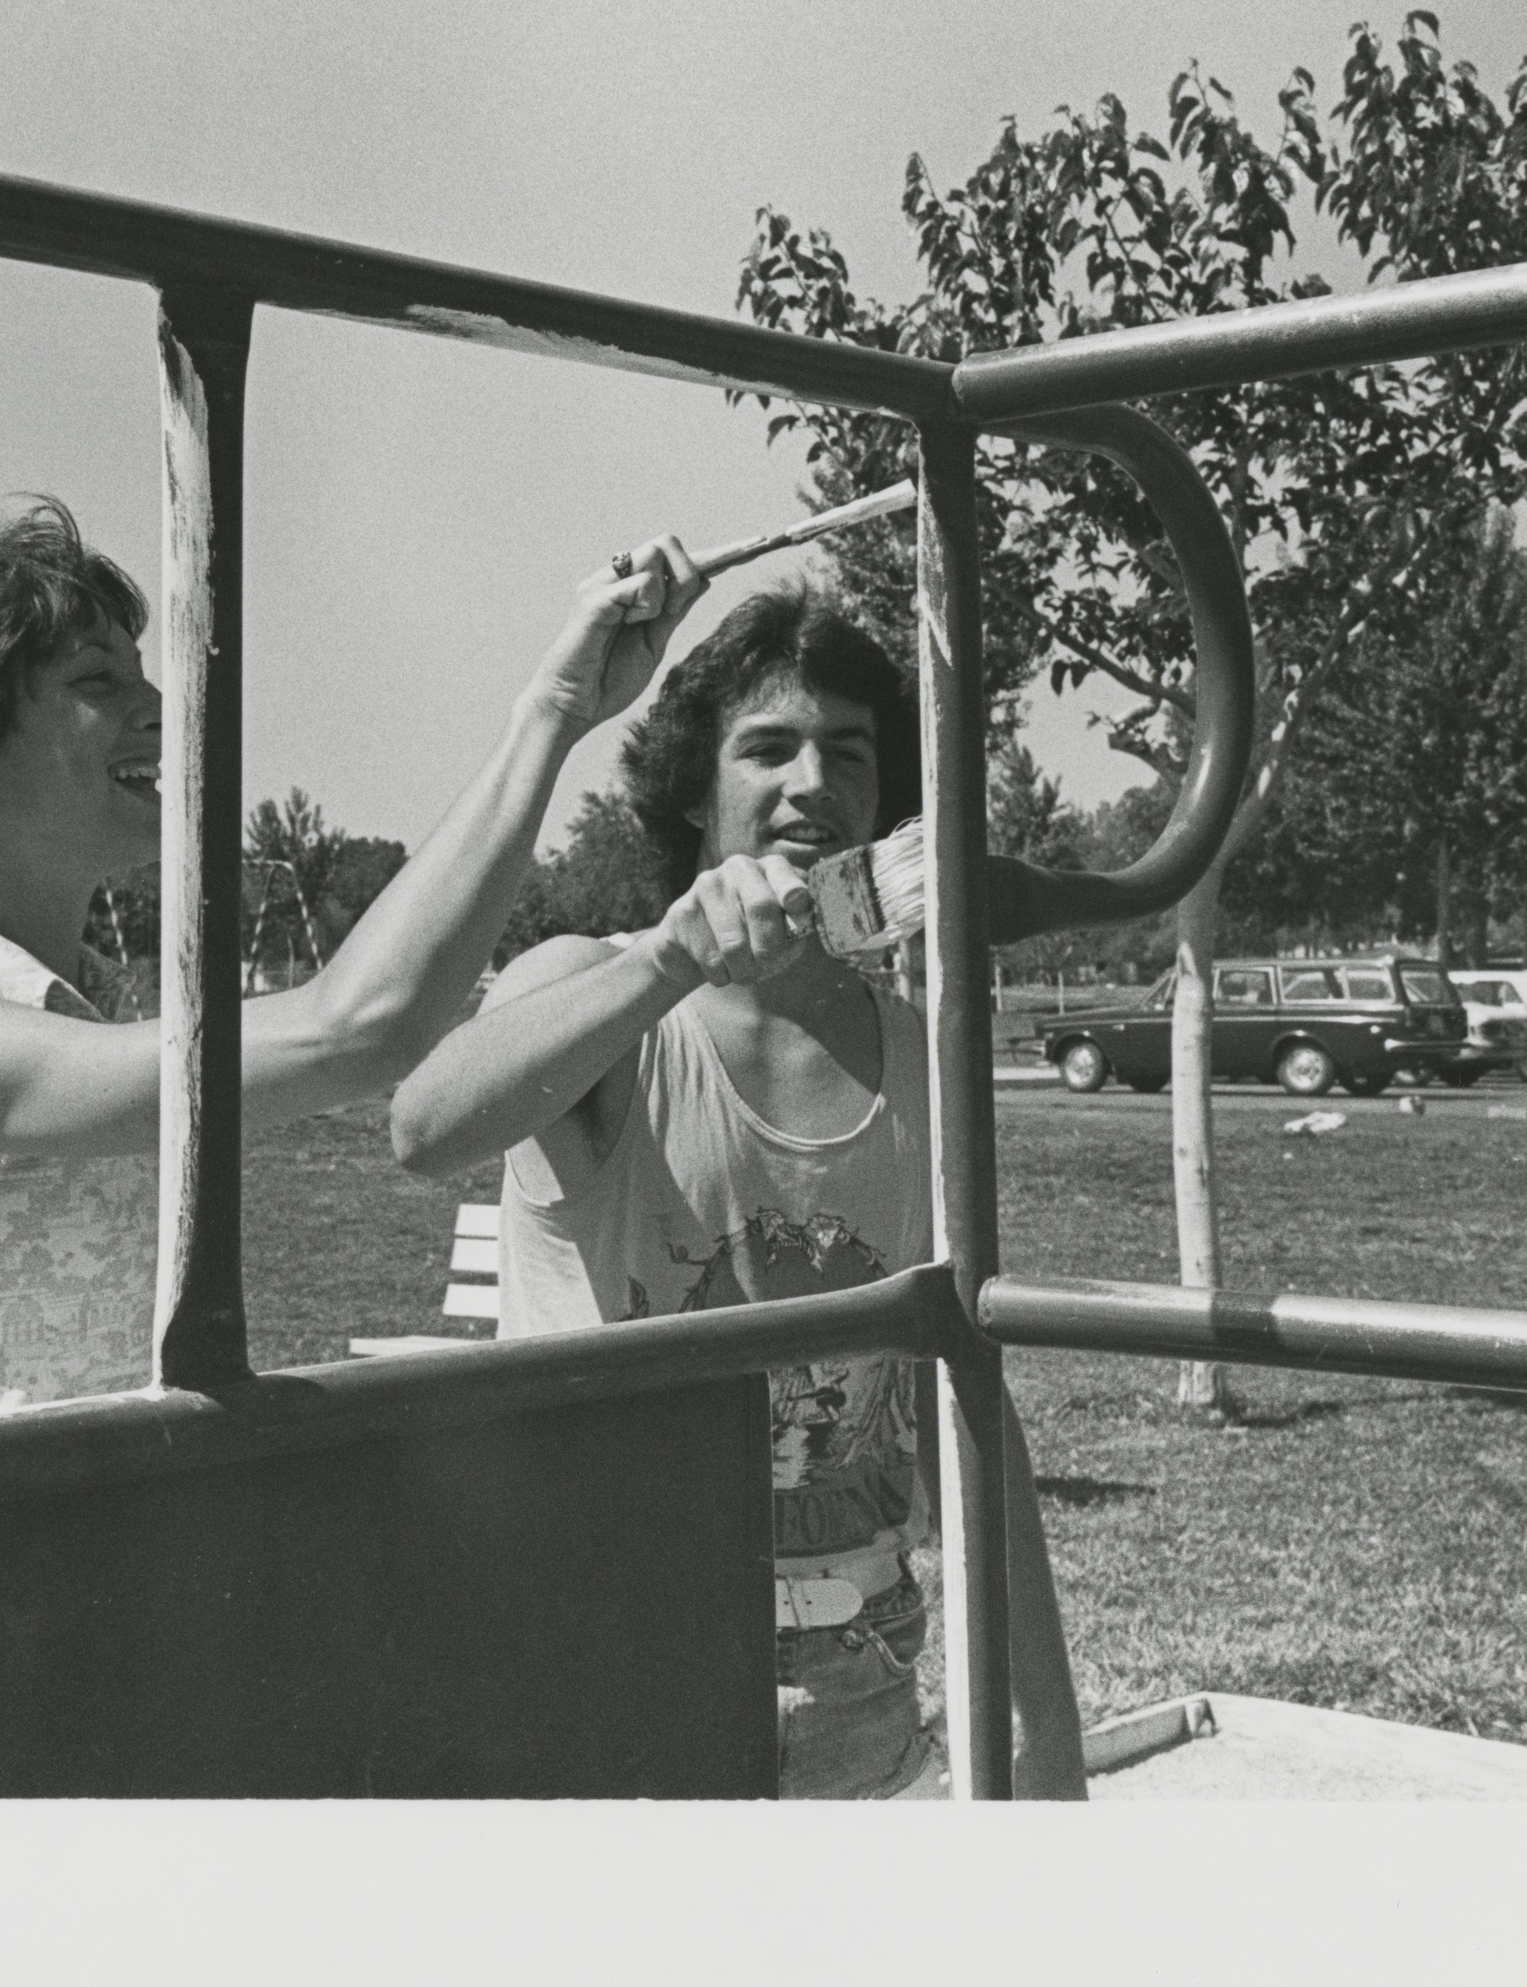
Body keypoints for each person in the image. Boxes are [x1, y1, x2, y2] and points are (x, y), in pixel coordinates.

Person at [388, 587, 1087, 1800]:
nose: (812, 782)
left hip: (860, 1663)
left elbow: (965, 1398)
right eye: (767, 747)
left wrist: (1046, 1734)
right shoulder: (597, 988)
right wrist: (669, 959)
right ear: (691, 791)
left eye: (850, 753)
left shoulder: (922, 1049)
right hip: (608, 1643)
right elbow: (424, 1125)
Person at [0, 498, 704, 1431]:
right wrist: (552, 714)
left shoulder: (86, 1009)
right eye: (97, 681)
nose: (155, 708)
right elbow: (361, 1028)